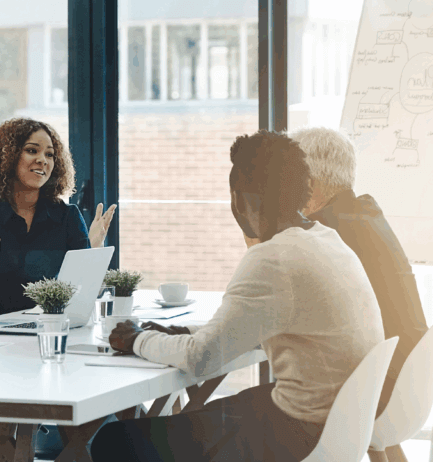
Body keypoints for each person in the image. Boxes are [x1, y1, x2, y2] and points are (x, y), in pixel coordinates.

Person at [92, 130, 384, 461]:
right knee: (201, 415)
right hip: (336, 426)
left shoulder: (273, 257)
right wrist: (181, 333)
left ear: (243, 200)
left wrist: (135, 340)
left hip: (299, 436)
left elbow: (201, 359)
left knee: (115, 441)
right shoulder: (328, 240)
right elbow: (239, 331)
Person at [290, 126, 428, 417]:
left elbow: (276, 309)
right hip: (411, 382)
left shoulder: (325, 232)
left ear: (309, 184)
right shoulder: (365, 213)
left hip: (374, 392)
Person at [0, 117, 116, 323]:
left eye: (50, 154)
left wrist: (92, 251)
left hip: (44, 328)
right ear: (6, 156)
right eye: (32, 150)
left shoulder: (67, 217)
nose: (43, 160)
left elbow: (84, 295)